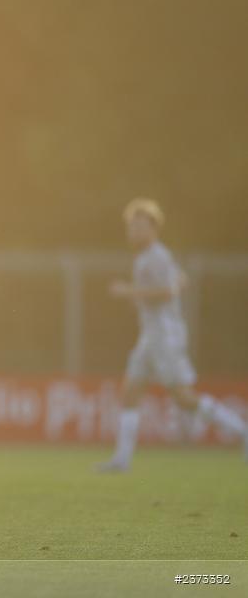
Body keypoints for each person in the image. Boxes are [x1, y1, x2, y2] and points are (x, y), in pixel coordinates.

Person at [98, 198, 248, 472]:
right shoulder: (149, 257)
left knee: (183, 397)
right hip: (150, 336)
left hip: (165, 336)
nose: (134, 231)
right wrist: (162, 287)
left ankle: (242, 431)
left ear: (154, 229)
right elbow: (179, 280)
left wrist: (128, 291)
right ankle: (122, 459)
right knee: (130, 391)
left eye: (140, 226)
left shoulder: (157, 255)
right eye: (131, 226)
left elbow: (167, 291)